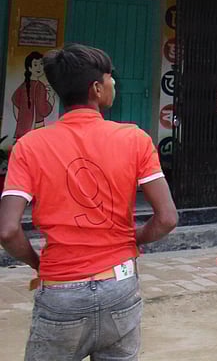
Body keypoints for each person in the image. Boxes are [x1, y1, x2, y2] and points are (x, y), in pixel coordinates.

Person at [0, 43, 178, 361]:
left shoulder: (28, 146)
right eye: (111, 78)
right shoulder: (136, 140)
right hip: (120, 284)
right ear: (97, 88)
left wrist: (39, 264)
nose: (115, 84)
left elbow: (8, 230)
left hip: (59, 292)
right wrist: (129, 240)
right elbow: (166, 218)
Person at [11, 51, 55, 140]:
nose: (39, 67)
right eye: (35, 65)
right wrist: (51, 98)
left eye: (41, 64)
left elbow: (15, 104)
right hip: (37, 127)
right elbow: (44, 111)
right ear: (29, 68)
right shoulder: (40, 86)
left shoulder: (23, 86)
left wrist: (21, 120)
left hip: (23, 128)